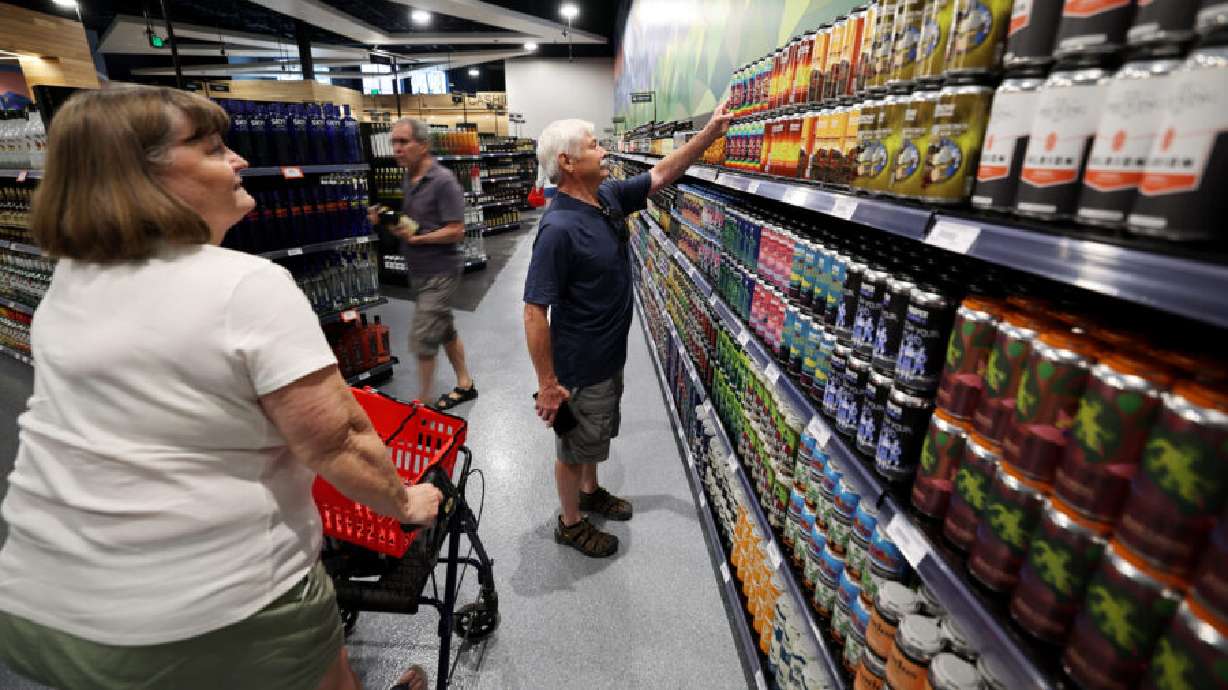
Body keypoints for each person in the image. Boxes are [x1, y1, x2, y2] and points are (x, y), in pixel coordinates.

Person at [0, 85, 439, 690]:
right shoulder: (244, 284)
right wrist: (405, 502)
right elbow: (335, 441)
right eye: (211, 149)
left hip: (41, 600)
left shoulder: (72, 282)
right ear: (138, 178)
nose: (237, 160)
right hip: (209, 604)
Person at [523, 106, 733, 558]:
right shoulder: (558, 228)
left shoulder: (607, 198)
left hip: (608, 353)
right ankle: (570, 522)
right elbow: (534, 311)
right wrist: (548, 385)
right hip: (579, 362)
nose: (605, 151)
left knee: (596, 434)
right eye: (595, 145)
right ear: (567, 162)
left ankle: (591, 490)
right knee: (572, 445)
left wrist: (710, 134)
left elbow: (660, 175)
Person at [367, 118, 476, 411]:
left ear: (423, 145)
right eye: (394, 143)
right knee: (444, 329)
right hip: (419, 270)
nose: (397, 149)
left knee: (423, 337)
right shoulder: (409, 178)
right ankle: (465, 383)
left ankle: (423, 405)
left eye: (403, 142)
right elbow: (414, 226)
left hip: (441, 271)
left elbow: (456, 230)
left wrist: (419, 240)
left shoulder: (444, 182)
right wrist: (390, 222)